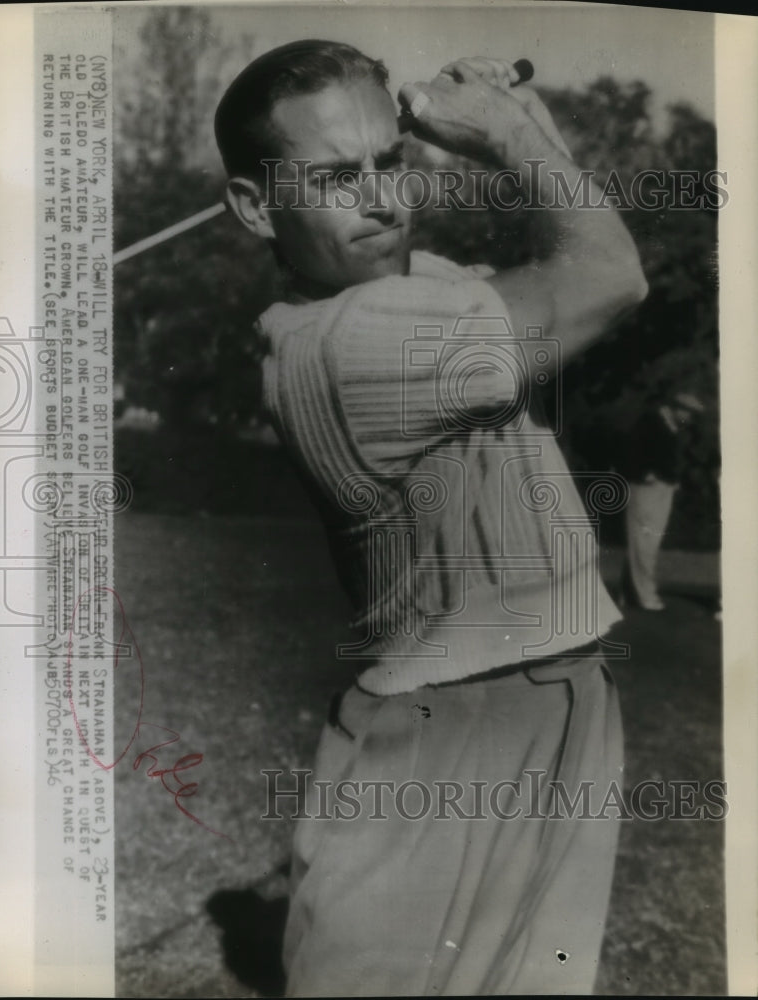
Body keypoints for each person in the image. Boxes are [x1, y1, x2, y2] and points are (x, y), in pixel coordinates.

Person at [215, 39, 648, 996]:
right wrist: (503, 134)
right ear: (255, 206)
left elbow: (560, 253)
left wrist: (514, 118)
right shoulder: (347, 342)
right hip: (446, 737)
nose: (382, 200)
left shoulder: (418, 290)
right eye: (334, 178)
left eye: (390, 162)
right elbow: (610, 275)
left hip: (559, 699)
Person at [618, 392, 704, 611]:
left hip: (661, 487)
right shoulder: (651, 422)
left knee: (646, 543)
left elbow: (668, 457)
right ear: (675, 408)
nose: (689, 419)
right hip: (646, 487)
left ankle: (628, 593)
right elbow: (628, 451)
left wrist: (673, 479)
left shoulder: (671, 425)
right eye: (688, 413)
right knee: (644, 543)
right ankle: (645, 596)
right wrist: (644, 473)